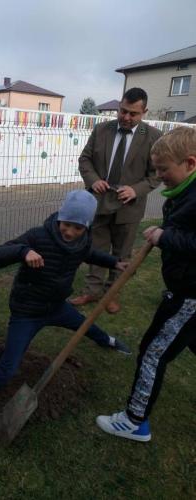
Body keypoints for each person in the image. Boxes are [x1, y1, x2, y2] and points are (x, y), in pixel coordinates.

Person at [0, 190, 131, 451]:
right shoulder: (38, 237)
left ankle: (108, 341)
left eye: (77, 228)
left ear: (85, 227)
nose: (69, 232)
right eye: (66, 225)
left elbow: (88, 254)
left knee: (84, 325)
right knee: (6, 369)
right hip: (27, 313)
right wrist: (23, 252)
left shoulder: (82, 240)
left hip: (56, 307)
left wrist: (114, 263)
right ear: (59, 219)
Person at [96, 126, 196, 442]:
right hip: (186, 287)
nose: (159, 175)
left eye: (164, 169)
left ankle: (135, 421)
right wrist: (167, 231)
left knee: (153, 352)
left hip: (190, 294)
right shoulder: (186, 194)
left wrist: (166, 236)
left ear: (190, 163)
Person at [71, 88, 162, 314]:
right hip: (100, 203)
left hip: (129, 208)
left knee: (122, 254)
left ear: (144, 112)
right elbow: (85, 159)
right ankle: (92, 291)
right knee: (97, 249)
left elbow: (157, 173)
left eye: (133, 113)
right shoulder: (101, 130)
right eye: (123, 111)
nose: (126, 117)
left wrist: (136, 189)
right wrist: (93, 180)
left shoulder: (153, 137)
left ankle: (111, 295)